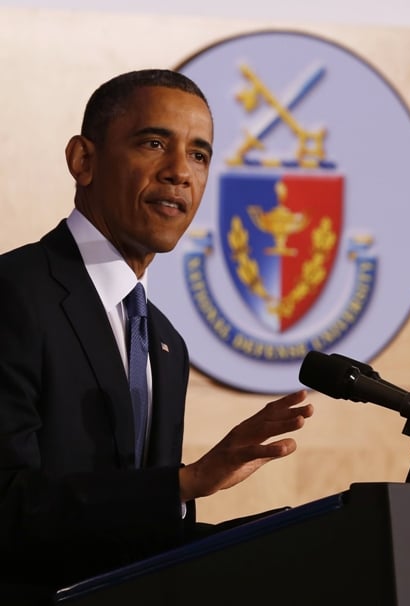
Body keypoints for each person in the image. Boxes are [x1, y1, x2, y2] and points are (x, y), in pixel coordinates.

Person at [0, 69, 314, 601]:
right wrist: (184, 483)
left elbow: (139, 535)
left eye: (199, 155)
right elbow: (8, 505)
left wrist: (299, 547)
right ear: (84, 161)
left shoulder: (165, 342)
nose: (179, 174)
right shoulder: (15, 294)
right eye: (153, 143)